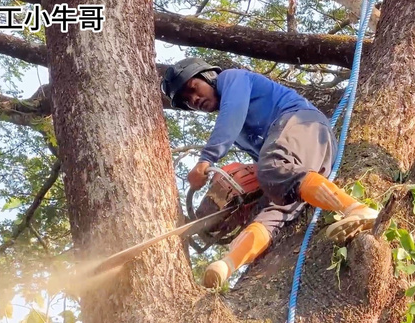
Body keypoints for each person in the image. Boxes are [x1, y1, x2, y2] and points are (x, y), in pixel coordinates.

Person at [161, 57, 378, 288]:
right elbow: (271, 170)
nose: (194, 99)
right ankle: (227, 264)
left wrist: (206, 160)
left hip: (303, 124)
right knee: (270, 206)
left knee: (273, 167)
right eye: (187, 101)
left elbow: (231, 116)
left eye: (193, 88)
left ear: (209, 76)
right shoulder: (243, 135)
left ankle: (356, 209)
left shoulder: (232, 78)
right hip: (301, 159)